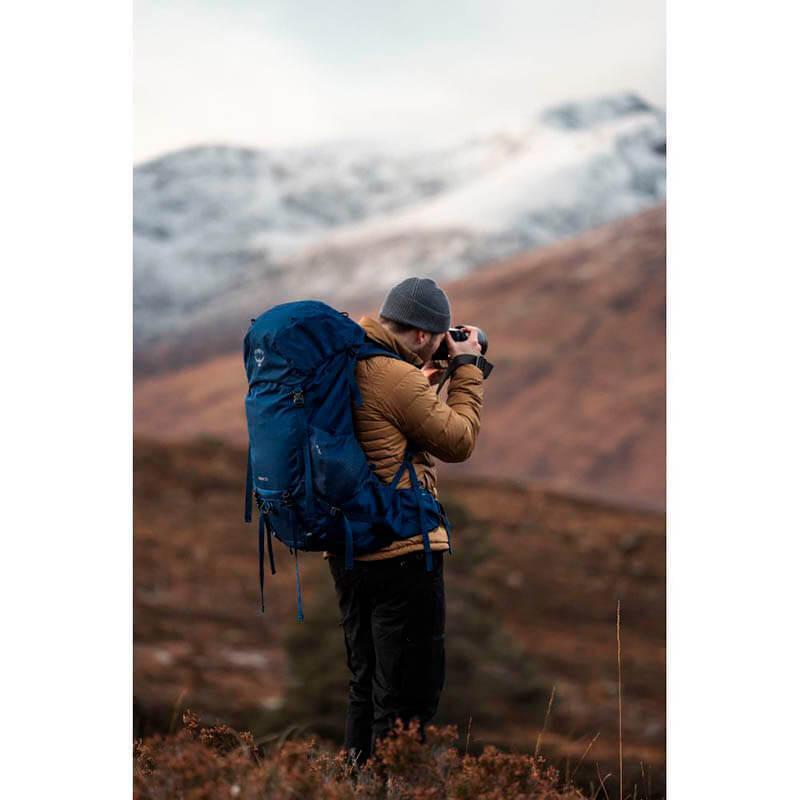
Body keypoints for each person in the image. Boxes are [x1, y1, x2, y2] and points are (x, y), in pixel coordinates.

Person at [325, 276, 485, 768]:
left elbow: (384, 421)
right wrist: (469, 370)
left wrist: (428, 376)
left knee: (365, 683)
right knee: (409, 693)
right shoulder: (395, 377)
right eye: (439, 336)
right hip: (402, 549)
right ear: (421, 335)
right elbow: (457, 442)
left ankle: (356, 783)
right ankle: (390, 786)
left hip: (351, 548)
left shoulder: (350, 360)